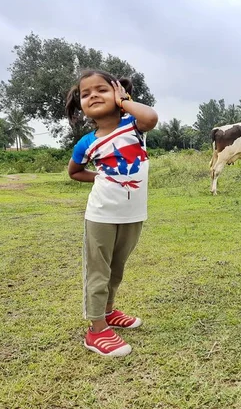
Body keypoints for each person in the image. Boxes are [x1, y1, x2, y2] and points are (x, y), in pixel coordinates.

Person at [65, 69, 158, 357]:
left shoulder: (133, 125)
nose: (92, 95)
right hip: (102, 215)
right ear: (80, 104)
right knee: (99, 271)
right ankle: (96, 330)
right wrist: (103, 178)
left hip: (133, 213)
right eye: (85, 93)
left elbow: (151, 118)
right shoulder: (86, 142)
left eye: (101, 89)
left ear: (118, 92)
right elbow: (75, 172)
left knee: (116, 269)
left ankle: (108, 311)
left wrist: (125, 101)